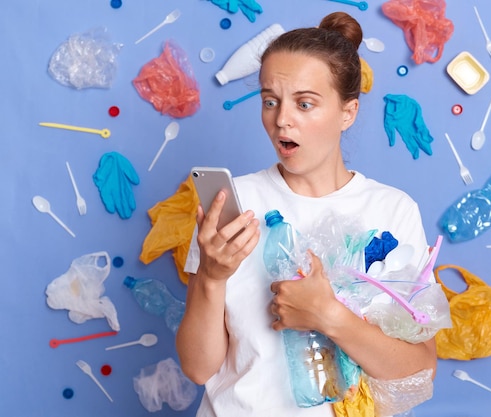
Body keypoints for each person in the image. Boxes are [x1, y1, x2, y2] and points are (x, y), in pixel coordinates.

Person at [177, 11, 440, 417]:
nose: (282, 119)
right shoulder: (234, 205)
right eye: (270, 101)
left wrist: (328, 315)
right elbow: (198, 368)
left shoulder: (392, 210)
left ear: (347, 113)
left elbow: (420, 371)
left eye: (305, 103)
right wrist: (211, 277)